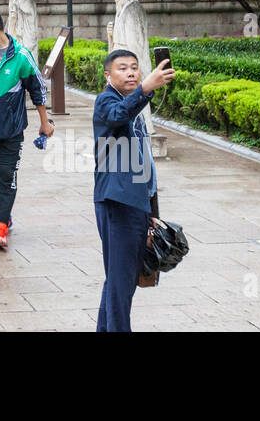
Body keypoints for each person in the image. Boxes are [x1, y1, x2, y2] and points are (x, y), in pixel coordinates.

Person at [94, 49, 175, 332]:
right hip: (117, 203)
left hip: (136, 205)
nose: (130, 72)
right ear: (108, 75)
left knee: (122, 279)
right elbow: (118, 116)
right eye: (122, 68)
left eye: (134, 68)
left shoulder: (135, 109)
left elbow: (145, 164)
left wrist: (153, 212)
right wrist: (144, 89)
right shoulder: (107, 101)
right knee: (121, 280)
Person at [0, 8, 53, 250]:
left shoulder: (21, 56)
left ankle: (0, 227)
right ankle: (4, 216)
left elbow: (37, 88)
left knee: (7, 177)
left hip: (11, 131)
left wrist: (44, 121)